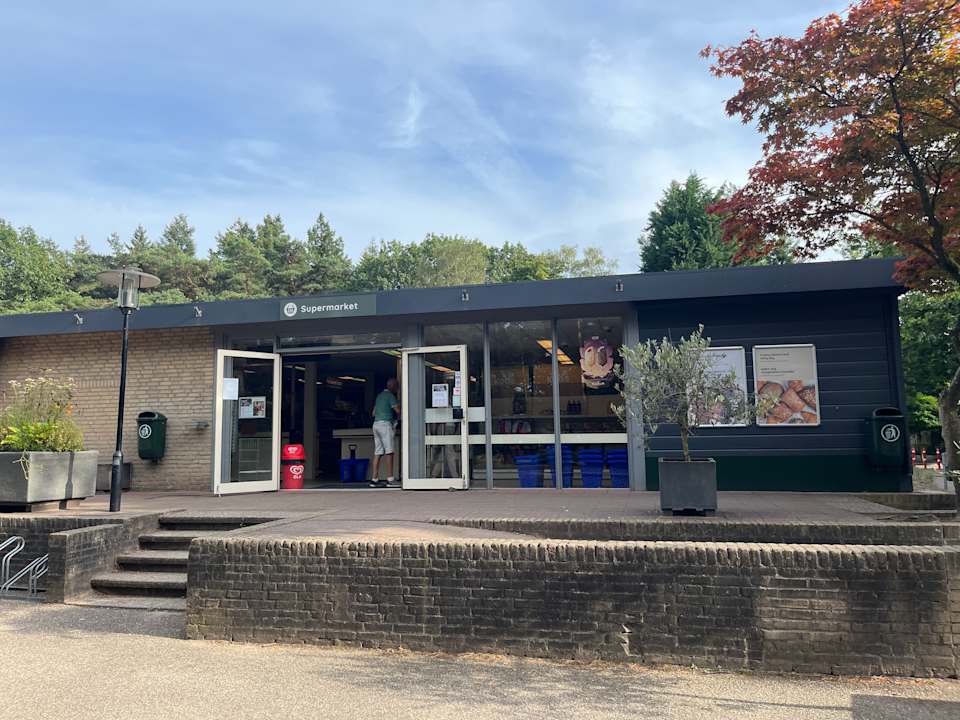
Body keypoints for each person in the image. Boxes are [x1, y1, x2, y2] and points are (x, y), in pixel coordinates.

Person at [369, 378, 400, 488]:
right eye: (397, 387)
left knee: (378, 452)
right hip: (385, 425)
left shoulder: (379, 396)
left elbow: (373, 413)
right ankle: (390, 479)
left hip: (376, 424)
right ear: (393, 386)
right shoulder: (390, 396)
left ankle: (374, 479)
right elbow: (398, 410)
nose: (397, 389)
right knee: (389, 452)